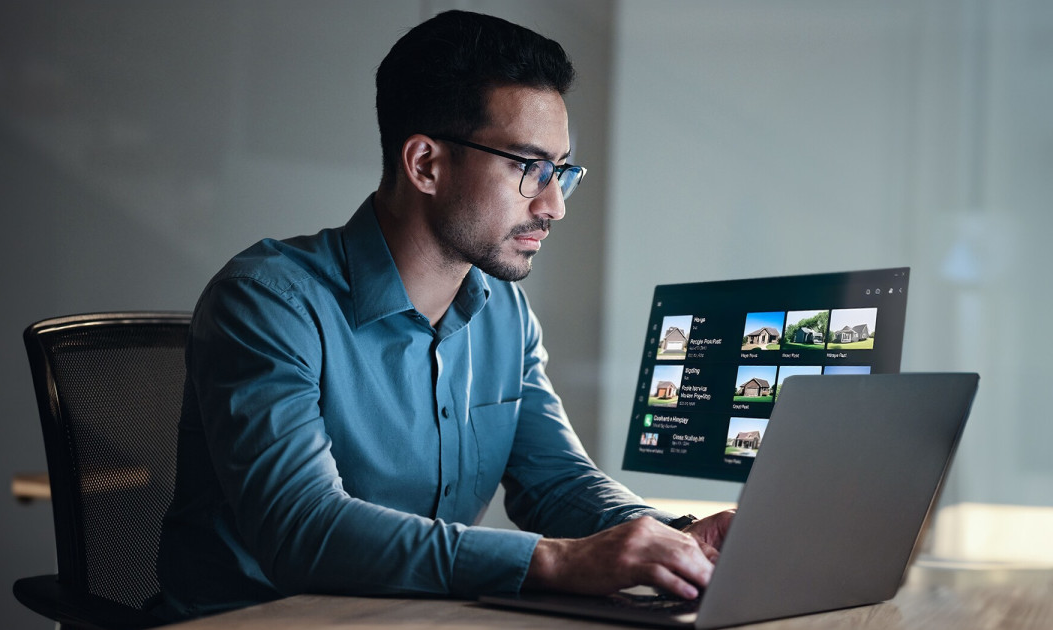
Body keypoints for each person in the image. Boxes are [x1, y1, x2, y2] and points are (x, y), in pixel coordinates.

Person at [154, 9, 733, 621]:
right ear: (426, 164)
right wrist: (557, 563)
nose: (555, 204)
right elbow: (303, 527)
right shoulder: (267, 301)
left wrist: (676, 536)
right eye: (528, 167)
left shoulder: (503, 311)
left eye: (562, 171)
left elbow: (558, 482)